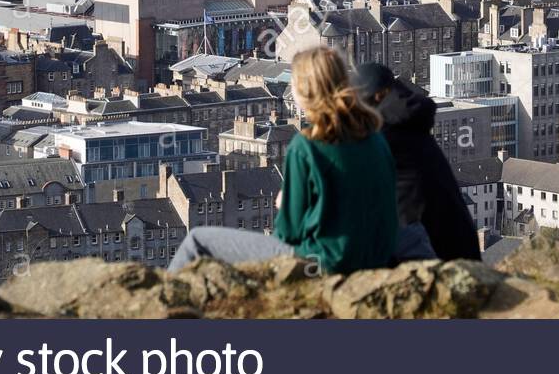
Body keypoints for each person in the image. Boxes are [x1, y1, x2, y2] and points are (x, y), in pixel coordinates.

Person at [170, 47, 398, 275]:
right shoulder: (376, 139)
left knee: (198, 240)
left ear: (301, 91)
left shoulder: (308, 146)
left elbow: (288, 232)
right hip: (376, 257)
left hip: (322, 264)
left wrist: (284, 204)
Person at [352, 62, 481, 262]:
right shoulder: (410, 124)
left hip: (433, 252)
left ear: (376, 96)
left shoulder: (386, 135)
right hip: (458, 243)